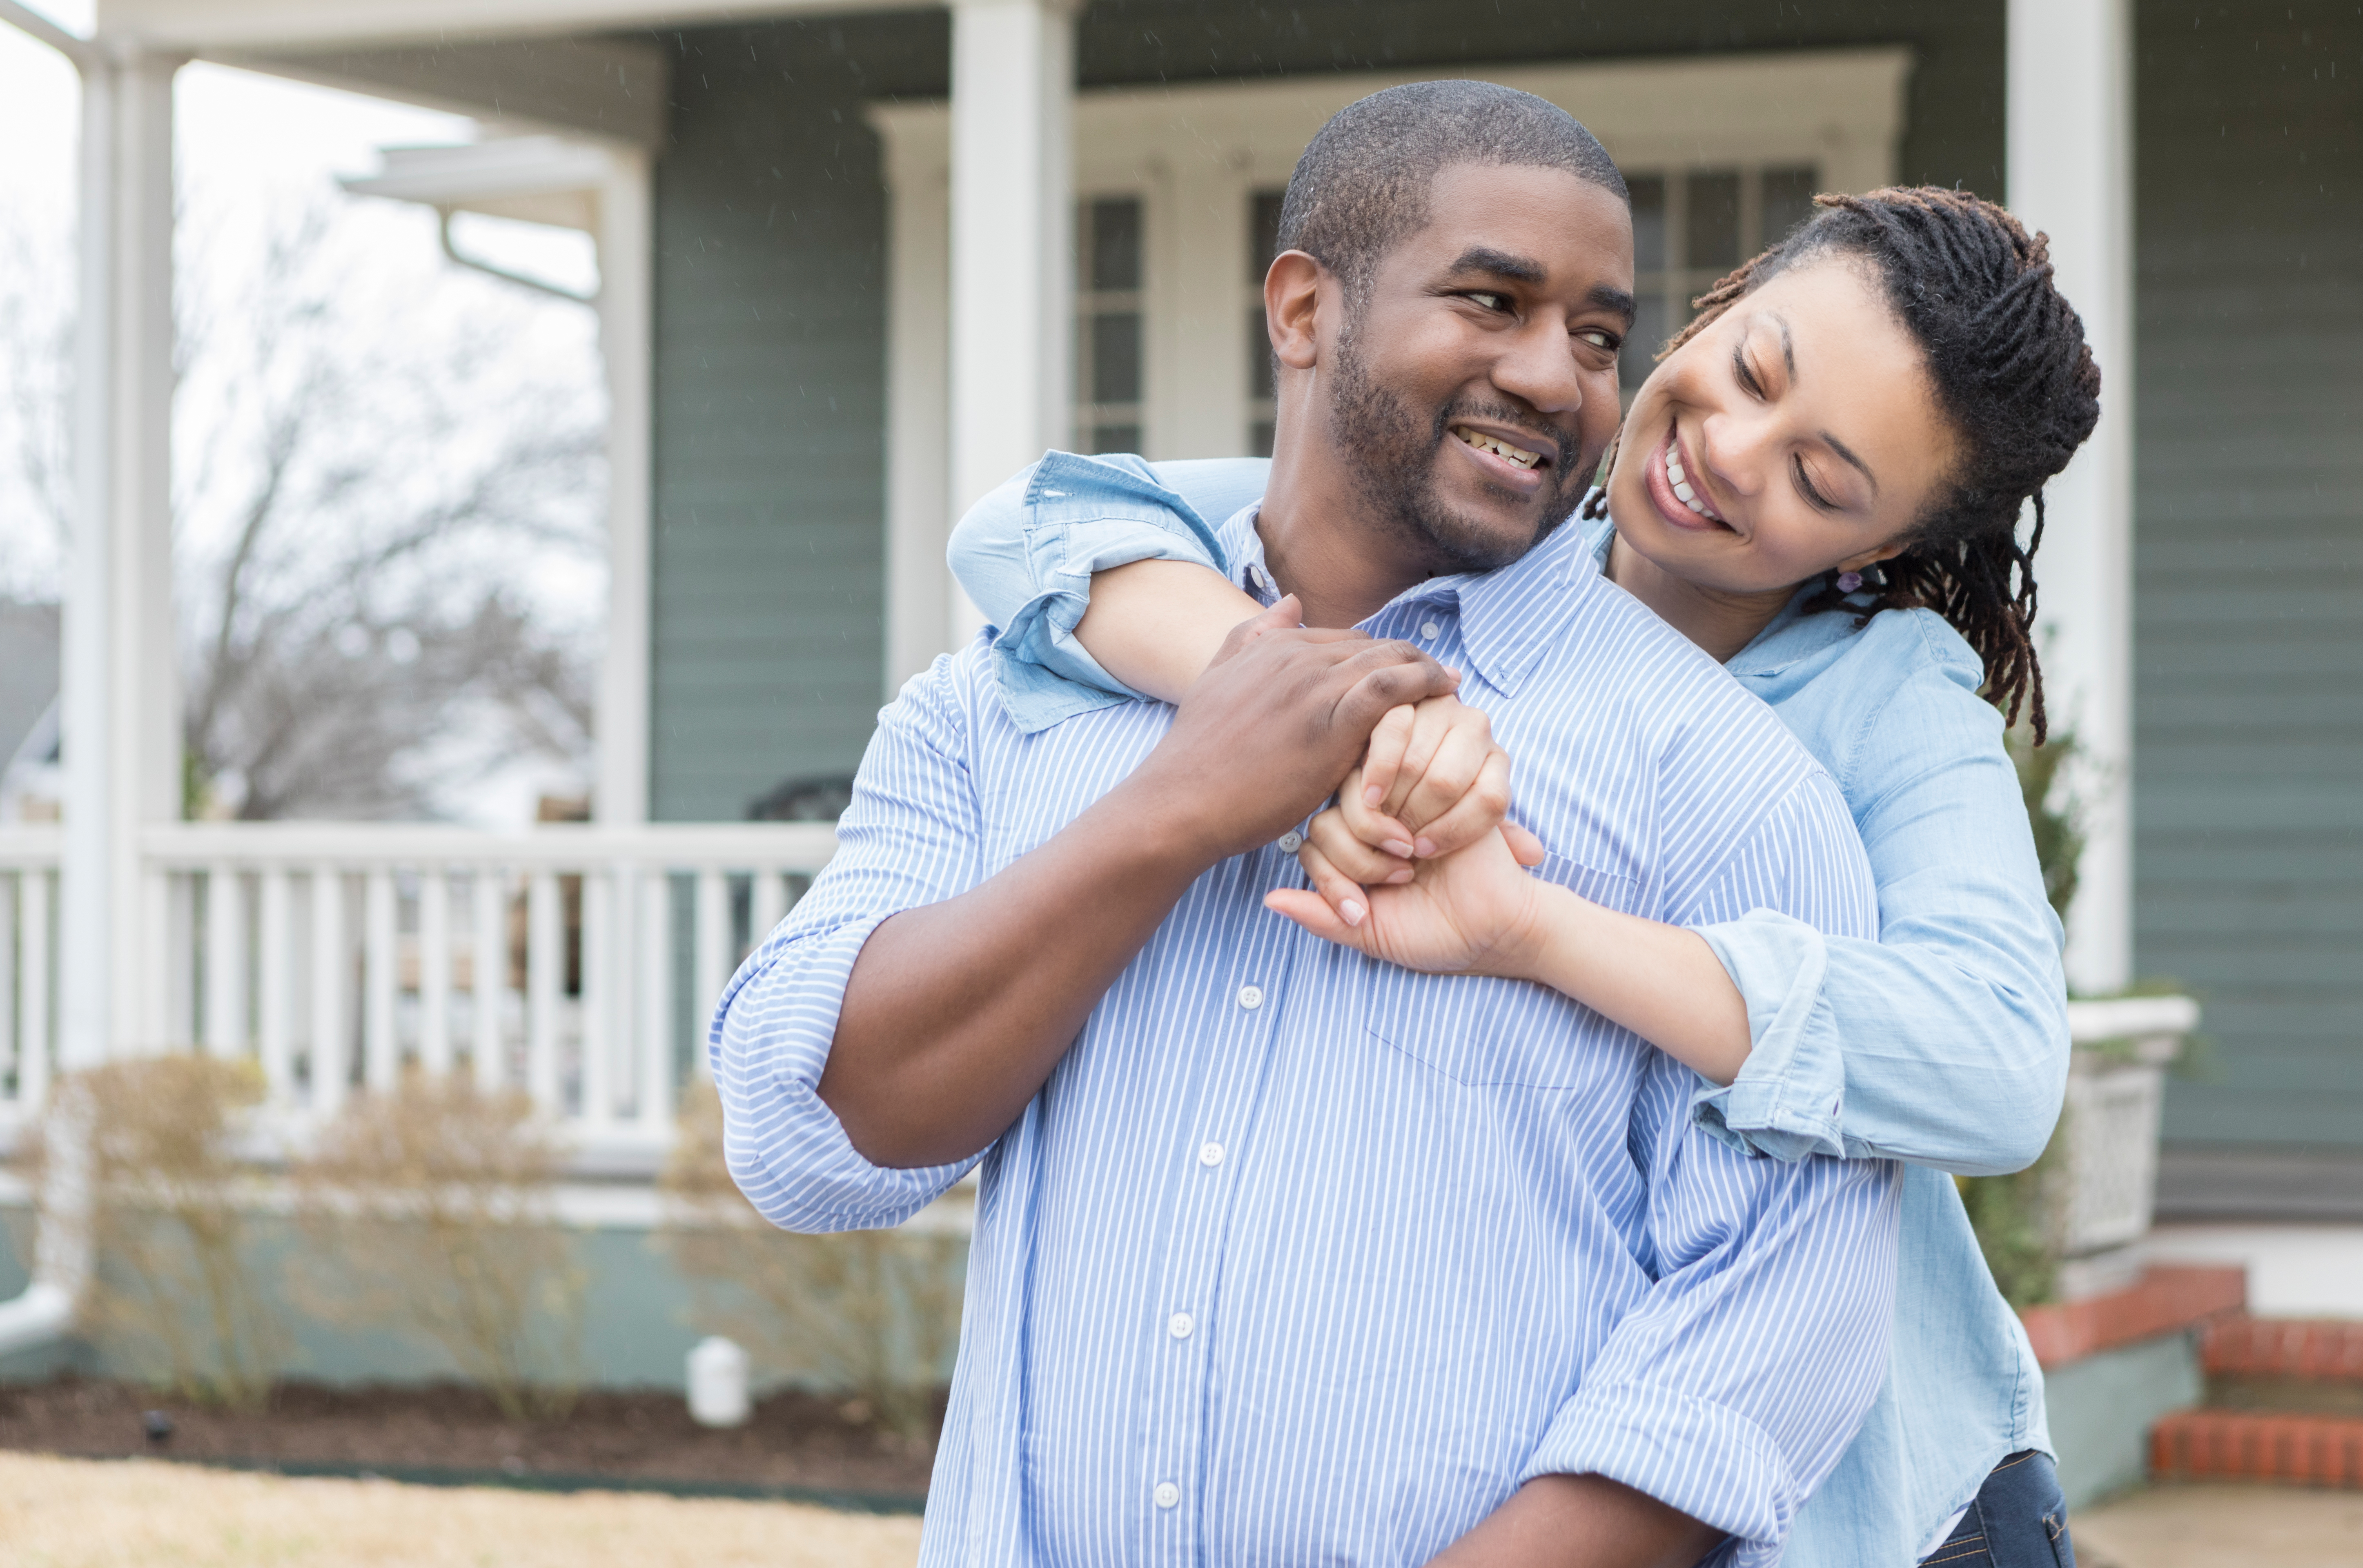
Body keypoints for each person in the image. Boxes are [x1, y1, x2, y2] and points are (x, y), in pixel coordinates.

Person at [716, 80, 1904, 1568]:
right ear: (1303, 311)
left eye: (1599, 337)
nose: (1555, 377)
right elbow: (807, 1137)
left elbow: (1772, 1333)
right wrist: (1173, 812)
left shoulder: (1719, 780)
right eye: (1491, 301)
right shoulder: (1008, 702)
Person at [950, 183, 2102, 1567]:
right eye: (1750, 370)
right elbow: (1027, 531)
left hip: (1880, 1517)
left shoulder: (1887, 704)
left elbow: (1996, 1060)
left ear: (1884, 547)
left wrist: (1540, 933)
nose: (1731, 453)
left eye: (1821, 478)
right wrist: (1327, 719)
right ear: (1725, 302)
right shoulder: (1482, 550)